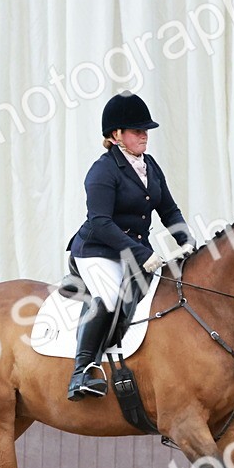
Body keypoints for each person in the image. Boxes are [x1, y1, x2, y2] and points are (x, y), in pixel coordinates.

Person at [64, 91, 196, 401]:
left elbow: (169, 210)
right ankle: (81, 371)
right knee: (110, 297)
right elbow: (100, 223)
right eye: (137, 131)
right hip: (98, 250)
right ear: (116, 135)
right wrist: (143, 253)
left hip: (135, 251)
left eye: (145, 131)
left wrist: (186, 239)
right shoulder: (102, 171)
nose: (144, 136)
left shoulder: (149, 166)